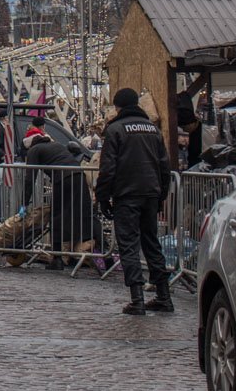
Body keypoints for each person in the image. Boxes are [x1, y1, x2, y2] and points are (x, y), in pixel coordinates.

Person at [95, 87, 173, 315]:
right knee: (151, 243)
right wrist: (161, 195)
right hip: (150, 194)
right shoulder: (153, 130)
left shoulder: (115, 129)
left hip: (127, 195)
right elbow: (164, 167)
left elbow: (108, 168)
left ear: (118, 107)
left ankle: (137, 298)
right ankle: (163, 295)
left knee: (128, 244)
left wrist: (102, 197)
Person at [24, 125, 92, 271]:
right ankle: (107, 257)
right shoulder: (55, 145)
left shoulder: (34, 151)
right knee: (86, 214)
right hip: (79, 176)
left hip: (63, 179)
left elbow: (30, 179)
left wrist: (24, 204)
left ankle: (57, 259)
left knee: (57, 216)